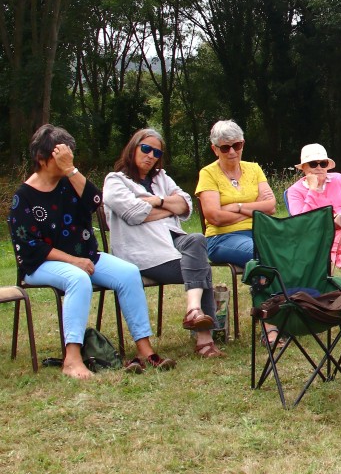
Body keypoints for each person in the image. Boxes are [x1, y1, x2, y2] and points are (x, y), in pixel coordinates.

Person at [7, 124, 175, 378]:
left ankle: (144, 349)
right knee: (78, 279)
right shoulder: (24, 198)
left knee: (129, 273)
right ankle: (72, 359)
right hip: (40, 264)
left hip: (85, 257)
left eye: (69, 155)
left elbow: (96, 201)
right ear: (42, 158)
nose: (67, 159)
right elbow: (31, 247)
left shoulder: (69, 182)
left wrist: (71, 170)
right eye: (61, 155)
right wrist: (73, 261)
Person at [103, 128, 225, 359]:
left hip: (173, 242)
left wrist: (156, 201)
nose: (151, 156)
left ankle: (193, 310)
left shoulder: (161, 178)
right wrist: (169, 208)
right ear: (133, 148)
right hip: (142, 252)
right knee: (201, 268)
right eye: (146, 149)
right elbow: (133, 214)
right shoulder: (115, 181)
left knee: (197, 240)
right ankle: (204, 339)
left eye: (156, 153)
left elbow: (186, 205)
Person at [195, 120, 276, 269]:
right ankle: (264, 284)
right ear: (215, 149)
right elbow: (215, 217)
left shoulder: (254, 169)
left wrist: (237, 207)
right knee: (266, 253)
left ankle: (270, 282)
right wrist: (256, 209)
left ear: (243, 144)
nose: (232, 152)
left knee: (293, 248)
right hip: (223, 238)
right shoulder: (208, 173)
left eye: (237, 145)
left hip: (259, 233)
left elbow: (270, 207)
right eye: (225, 148)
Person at [286, 143, 341, 281]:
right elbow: (301, 222)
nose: (319, 168)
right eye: (313, 164)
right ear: (304, 167)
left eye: (323, 163)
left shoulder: (339, 179)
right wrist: (313, 190)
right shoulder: (295, 191)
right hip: (320, 235)